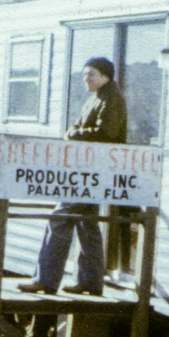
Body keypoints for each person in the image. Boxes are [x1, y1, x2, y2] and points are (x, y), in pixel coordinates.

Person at [18, 56, 127, 296]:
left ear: (105, 77)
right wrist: (75, 132)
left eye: (91, 74)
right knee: (86, 224)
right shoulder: (97, 98)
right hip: (88, 171)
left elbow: (105, 133)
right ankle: (90, 282)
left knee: (60, 217)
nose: (85, 79)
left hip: (94, 173)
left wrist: (74, 133)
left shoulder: (112, 99)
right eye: (84, 74)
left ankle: (45, 280)